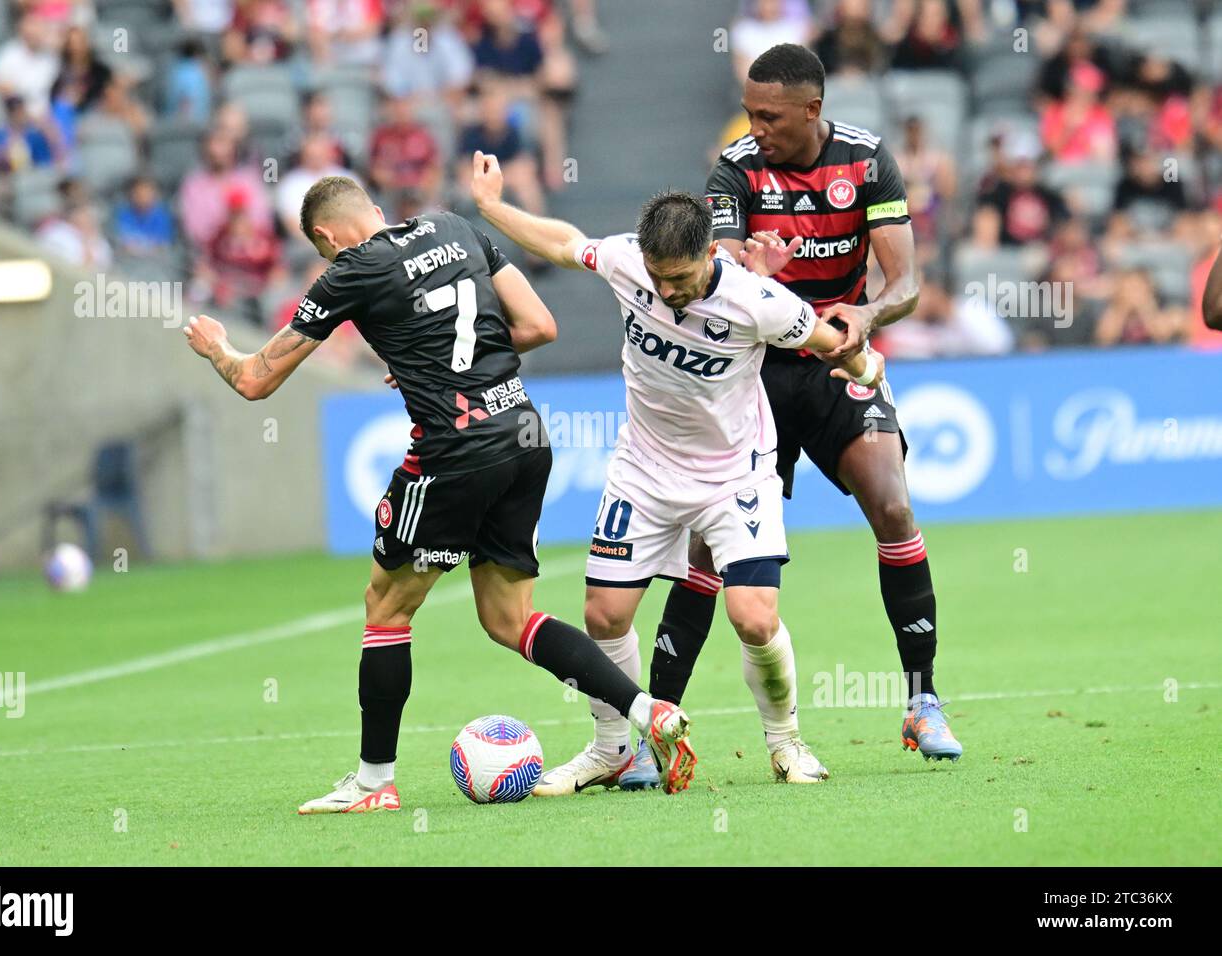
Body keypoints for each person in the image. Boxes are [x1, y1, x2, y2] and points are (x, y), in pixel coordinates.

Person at [182, 174, 699, 812]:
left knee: (387, 606)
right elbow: (539, 324)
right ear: (374, 207)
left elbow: (257, 380)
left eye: (323, 251)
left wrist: (216, 349)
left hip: (455, 452)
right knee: (509, 621)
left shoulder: (351, 269)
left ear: (325, 237)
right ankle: (646, 711)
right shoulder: (454, 227)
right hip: (524, 431)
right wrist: (452, 365)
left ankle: (374, 783)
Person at [471, 150, 884, 793]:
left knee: (753, 617)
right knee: (603, 615)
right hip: (643, 470)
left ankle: (786, 743)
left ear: (711, 254)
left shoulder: (759, 301)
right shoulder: (628, 262)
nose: (668, 292)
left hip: (735, 477)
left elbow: (830, 341)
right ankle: (612, 750)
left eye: (681, 278)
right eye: (659, 278)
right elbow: (565, 243)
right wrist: (495, 208)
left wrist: (869, 371)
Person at [645, 43, 961, 783]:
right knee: (704, 554)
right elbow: (715, 272)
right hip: (754, 377)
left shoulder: (867, 159)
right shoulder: (736, 167)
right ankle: (654, 724)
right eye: (751, 112)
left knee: (894, 508)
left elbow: (906, 280)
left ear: (812, 110)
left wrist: (868, 313)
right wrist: (754, 274)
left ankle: (922, 700)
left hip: (835, 365)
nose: (756, 127)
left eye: (770, 116)